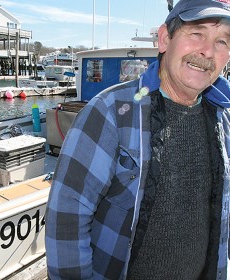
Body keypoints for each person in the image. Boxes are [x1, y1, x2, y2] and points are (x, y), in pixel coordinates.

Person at [45, 0, 230, 279]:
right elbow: (66, 216)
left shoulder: (223, 119)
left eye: (222, 42)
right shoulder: (109, 111)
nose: (207, 51)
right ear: (165, 38)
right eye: (197, 33)